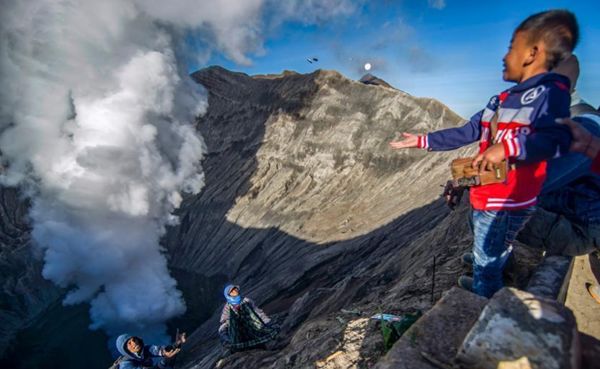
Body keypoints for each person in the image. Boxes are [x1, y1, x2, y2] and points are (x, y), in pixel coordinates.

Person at [389, 10, 578, 298]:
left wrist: (508, 147)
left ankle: (484, 300)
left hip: (507, 200)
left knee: (487, 260)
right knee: (486, 239)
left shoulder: (550, 103)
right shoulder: (501, 101)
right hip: (485, 191)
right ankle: (492, 265)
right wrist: (423, 140)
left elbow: (554, 141)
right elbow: (468, 132)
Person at [515, 54, 600, 256]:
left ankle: (495, 278)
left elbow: (529, 185)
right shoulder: (579, 119)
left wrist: (472, 181)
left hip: (583, 228)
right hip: (579, 207)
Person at [218, 284, 279, 353]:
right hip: (238, 333)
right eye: (232, 292)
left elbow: (258, 313)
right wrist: (224, 336)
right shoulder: (227, 308)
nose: (235, 293)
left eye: (236, 291)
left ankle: (258, 345)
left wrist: (268, 323)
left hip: (251, 329)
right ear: (228, 295)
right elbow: (225, 323)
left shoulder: (246, 301)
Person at [114, 332, 185, 369]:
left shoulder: (145, 349)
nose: (134, 343)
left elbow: (161, 351)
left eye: (134, 340)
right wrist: (165, 360)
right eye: (129, 343)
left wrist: (177, 343)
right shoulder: (126, 365)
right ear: (125, 350)